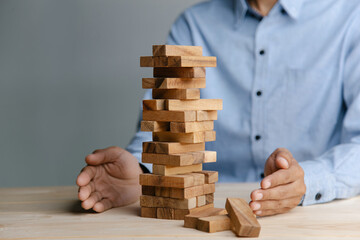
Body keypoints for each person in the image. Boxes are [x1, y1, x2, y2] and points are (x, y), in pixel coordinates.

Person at [76, 0, 360, 217]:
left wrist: (307, 181)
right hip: (205, 215)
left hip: (312, 215)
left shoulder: (350, 18)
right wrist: (141, 172)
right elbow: (164, 127)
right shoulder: (193, 25)